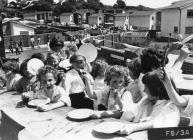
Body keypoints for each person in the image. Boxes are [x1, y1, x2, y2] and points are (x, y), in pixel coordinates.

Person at [119, 70, 180, 135]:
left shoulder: (171, 106)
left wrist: (134, 127)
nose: (144, 90)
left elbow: (158, 124)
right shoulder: (147, 100)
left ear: (155, 89)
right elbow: (131, 113)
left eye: (146, 87)